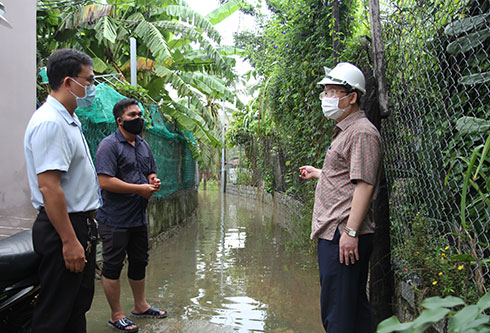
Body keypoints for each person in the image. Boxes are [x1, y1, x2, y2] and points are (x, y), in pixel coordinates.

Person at [299, 62, 382, 333]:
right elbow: (348, 177)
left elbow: (364, 186)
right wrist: (318, 173)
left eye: (333, 92)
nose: (326, 99)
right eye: (325, 93)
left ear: (352, 97)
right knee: (352, 311)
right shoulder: (347, 132)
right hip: (339, 235)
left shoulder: (361, 132)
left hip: (343, 237)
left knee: (338, 316)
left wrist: (351, 232)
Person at [24, 48, 100, 332]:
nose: (92, 87)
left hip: (78, 224)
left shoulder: (69, 118)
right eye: (88, 80)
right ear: (69, 82)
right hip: (62, 229)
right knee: (55, 314)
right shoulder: (51, 122)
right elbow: (49, 186)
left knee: (76, 307)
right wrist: (69, 241)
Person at [95, 98, 166, 332]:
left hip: (138, 217)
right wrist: (139, 189)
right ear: (120, 121)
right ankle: (116, 315)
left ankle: (141, 306)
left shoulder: (143, 145)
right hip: (114, 218)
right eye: (132, 115)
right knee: (113, 266)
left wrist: (152, 181)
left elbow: (150, 171)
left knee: (139, 262)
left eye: (140, 114)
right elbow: (104, 181)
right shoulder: (109, 145)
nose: (138, 119)